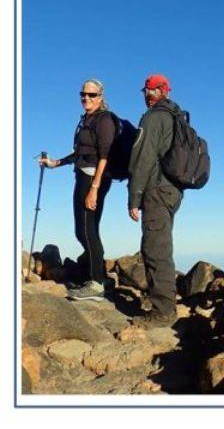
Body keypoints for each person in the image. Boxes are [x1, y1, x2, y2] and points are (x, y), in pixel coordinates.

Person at [39, 79, 116, 301]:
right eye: (83, 94)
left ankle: (96, 284)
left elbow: (105, 156)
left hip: (93, 179)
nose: (86, 98)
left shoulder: (104, 120)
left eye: (92, 95)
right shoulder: (87, 120)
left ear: (100, 97)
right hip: (85, 175)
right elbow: (81, 153)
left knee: (85, 230)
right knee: (85, 229)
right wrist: (55, 163)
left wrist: (94, 188)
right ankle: (99, 276)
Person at [128, 74, 184, 328]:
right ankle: (162, 302)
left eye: (147, 91)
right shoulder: (177, 116)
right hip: (173, 190)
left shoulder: (153, 118)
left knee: (155, 248)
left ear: (154, 93)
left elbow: (143, 158)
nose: (146, 95)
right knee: (159, 243)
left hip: (156, 189)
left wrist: (134, 196)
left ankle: (163, 311)